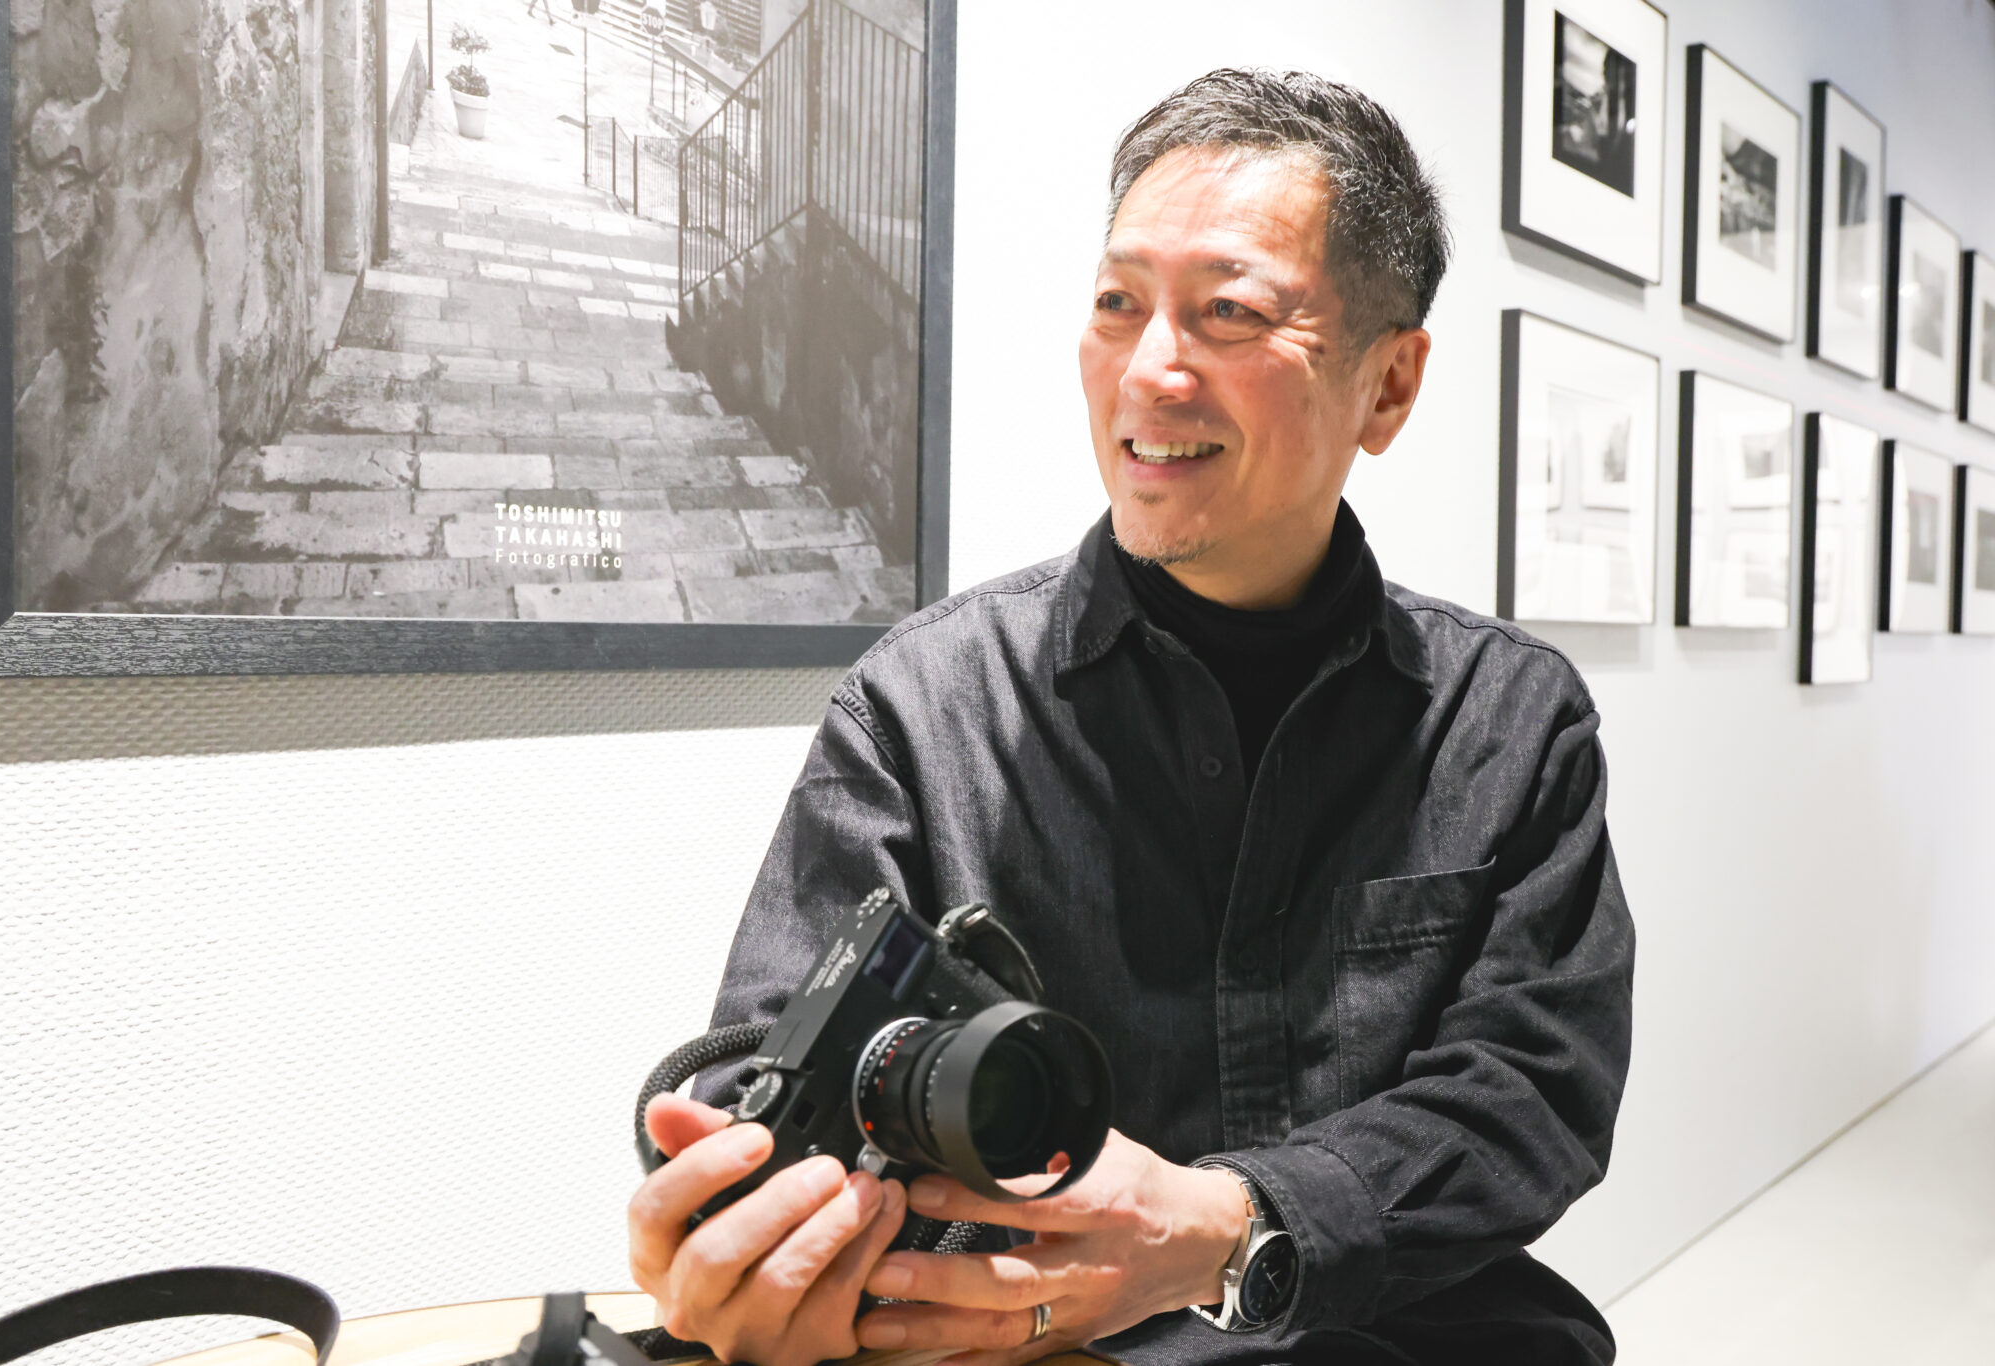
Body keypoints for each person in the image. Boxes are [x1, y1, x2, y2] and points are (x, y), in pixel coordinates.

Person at [627, 68, 1634, 1366]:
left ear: (1388, 386)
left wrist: (1227, 1224)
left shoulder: (1510, 719)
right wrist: (752, 1236)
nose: (1150, 371)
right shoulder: (924, 709)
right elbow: (770, 1080)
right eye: (1118, 303)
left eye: (1229, 312)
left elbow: (1532, 1092)